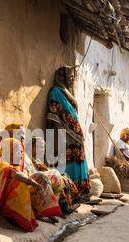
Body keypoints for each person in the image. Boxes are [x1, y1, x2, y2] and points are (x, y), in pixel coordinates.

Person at [46, 66, 90, 195]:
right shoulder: (55, 92)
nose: (72, 80)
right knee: (66, 162)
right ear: (62, 77)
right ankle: (68, 192)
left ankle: (80, 191)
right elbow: (53, 113)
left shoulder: (68, 93)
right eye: (69, 77)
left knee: (77, 161)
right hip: (63, 135)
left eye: (73, 78)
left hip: (76, 136)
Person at [26, 136, 80, 216]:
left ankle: (67, 204)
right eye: (39, 147)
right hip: (35, 182)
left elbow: (45, 170)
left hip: (42, 178)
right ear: (31, 146)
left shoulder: (37, 160)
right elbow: (33, 173)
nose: (42, 150)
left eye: (43, 147)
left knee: (64, 176)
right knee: (60, 178)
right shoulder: (28, 158)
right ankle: (63, 207)